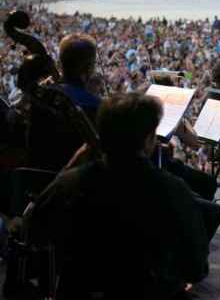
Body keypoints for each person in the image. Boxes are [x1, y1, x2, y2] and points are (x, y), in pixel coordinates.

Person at [29, 93, 210, 299]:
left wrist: (72, 165)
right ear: (149, 139)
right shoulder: (173, 190)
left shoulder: (70, 184)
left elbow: (34, 228)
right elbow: (196, 268)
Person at [27, 34, 101, 173]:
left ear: (60, 63)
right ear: (90, 68)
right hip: (76, 187)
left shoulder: (40, 96)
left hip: (35, 179)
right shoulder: (95, 106)